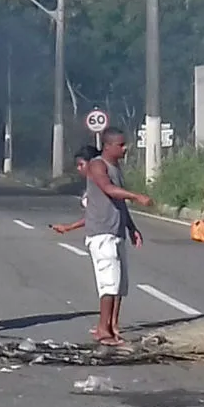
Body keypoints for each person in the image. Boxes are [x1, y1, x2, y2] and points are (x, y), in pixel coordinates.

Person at [50, 131, 154, 345]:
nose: (125, 149)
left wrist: (131, 227)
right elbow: (108, 189)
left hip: (116, 231)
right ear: (108, 146)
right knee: (109, 283)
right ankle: (102, 330)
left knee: (119, 284)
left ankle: (111, 327)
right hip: (101, 233)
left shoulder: (116, 168)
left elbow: (119, 203)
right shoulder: (98, 166)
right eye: (121, 145)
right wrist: (136, 196)